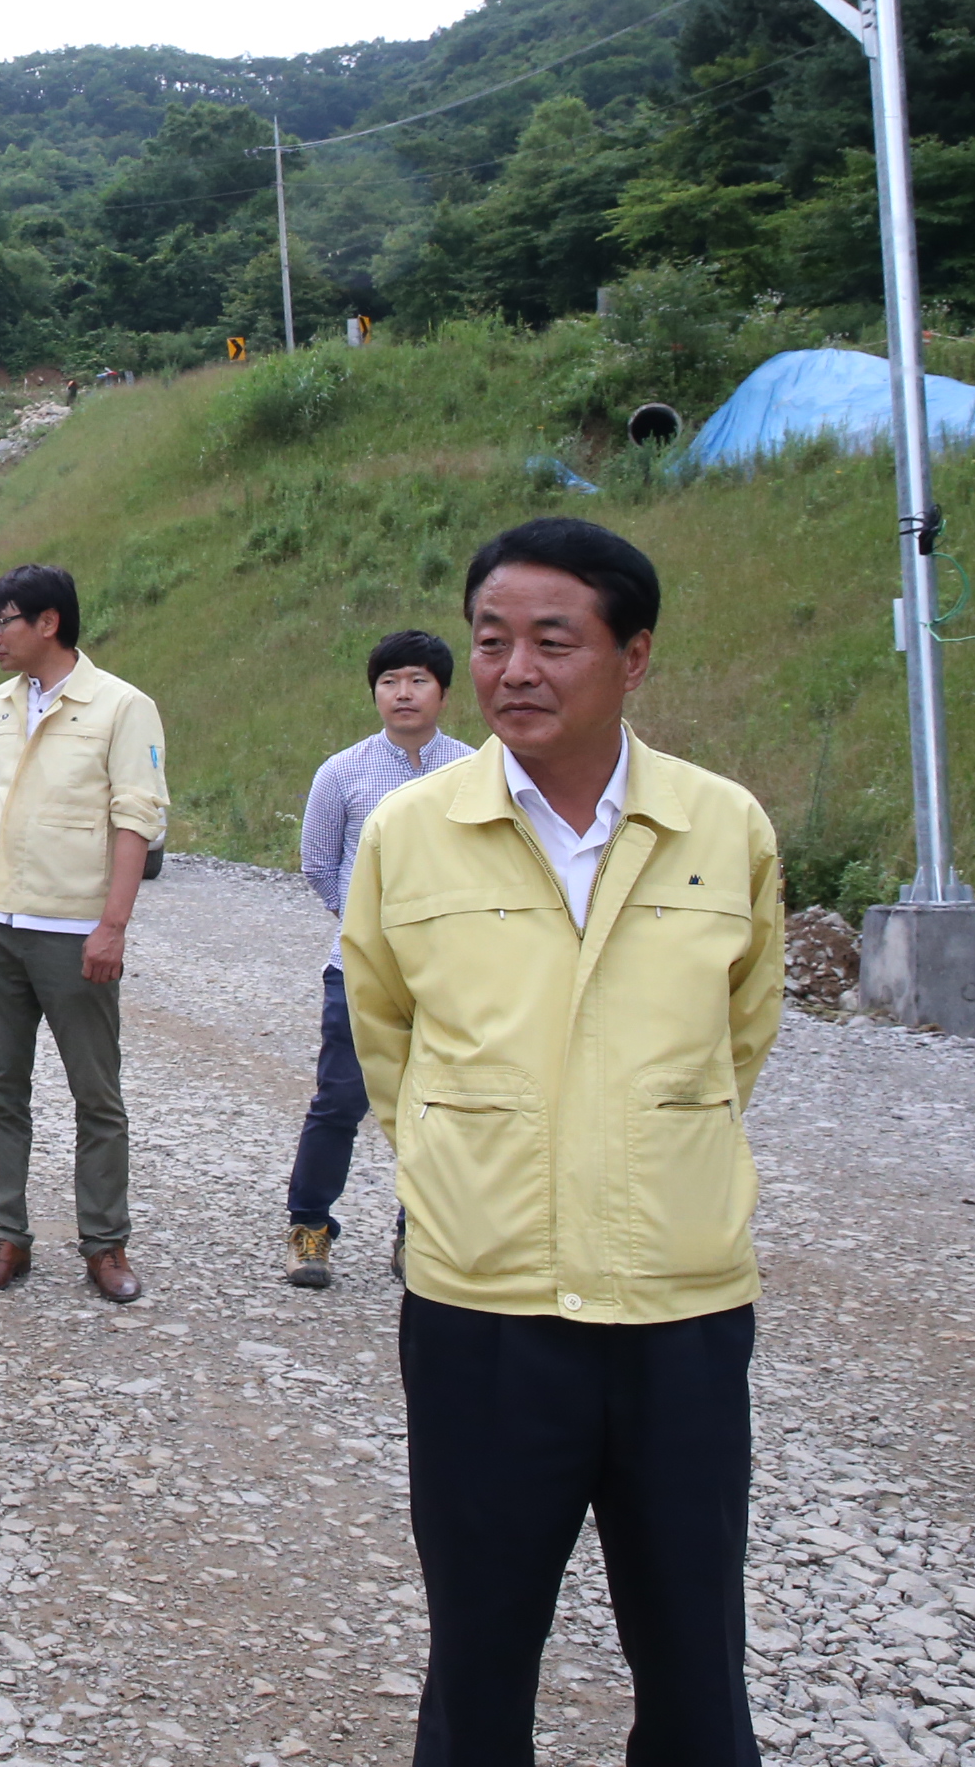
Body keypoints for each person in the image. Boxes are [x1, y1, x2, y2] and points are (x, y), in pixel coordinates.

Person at [343, 517, 783, 1767]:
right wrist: (462, 1164)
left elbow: (739, 1041)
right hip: (486, 1304)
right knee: (479, 1660)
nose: (514, 669)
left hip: (680, 1311)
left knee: (697, 1661)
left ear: (633, 657)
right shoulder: (413, 832)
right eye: (493, 641)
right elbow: (390, 1042)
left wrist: (641, 1148)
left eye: (554, 640)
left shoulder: (721, 826)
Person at [0, 562, 165, 1306]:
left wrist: (112, 925)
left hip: (74, 929)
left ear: (48, 622)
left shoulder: (121, 707)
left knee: (95, 1094)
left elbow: (136, 818)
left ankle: (106, 1244)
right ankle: (6, 1234)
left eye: (3, 621)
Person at [283, 629, 474, 1291]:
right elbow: (317, 862)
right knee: (340, 1100)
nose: (403, 693)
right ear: (374, 693)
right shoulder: (343, 772)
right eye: (390, 681)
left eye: (418, 680)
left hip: (447, 970)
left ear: (444, 692)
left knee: (438, 1102)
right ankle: (309, 1230)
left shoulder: (477, 770)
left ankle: (415, 1232)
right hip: (359, 969)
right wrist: (365, 923)